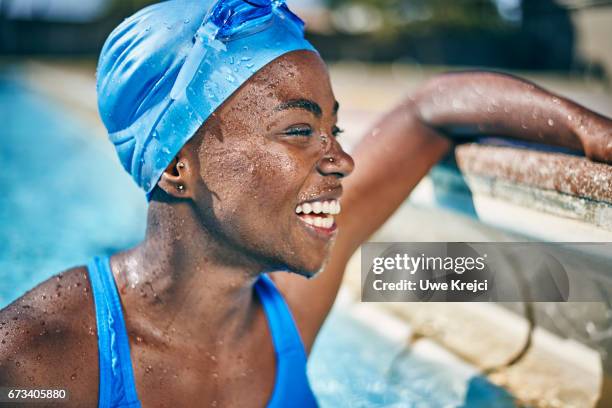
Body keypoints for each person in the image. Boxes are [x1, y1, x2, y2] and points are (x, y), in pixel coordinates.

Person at [1, 0, 611, 407]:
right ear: (177, 166)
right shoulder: (38, 364)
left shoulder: (286, 309)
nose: (342, 160)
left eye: (335, 130)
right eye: (298, 130)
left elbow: (429, 110)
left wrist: (592, 132)